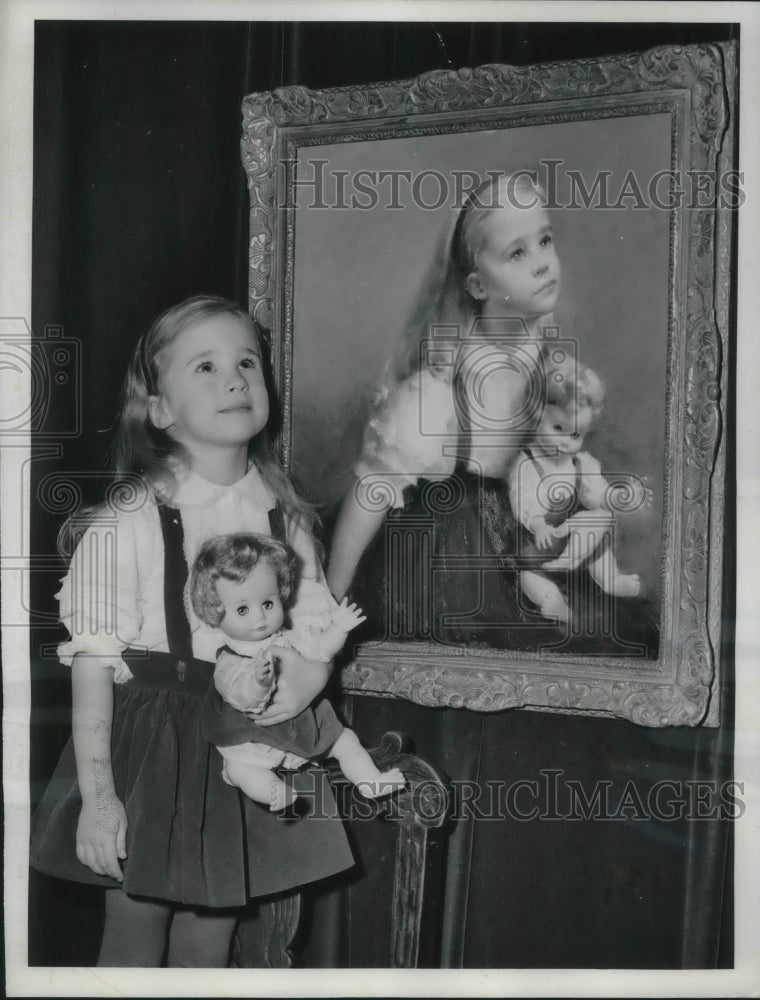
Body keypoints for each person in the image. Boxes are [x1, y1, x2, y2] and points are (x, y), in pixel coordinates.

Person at [30, 295, 354, 967]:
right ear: (160, 410)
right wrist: (99, 797)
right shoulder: (130, 518)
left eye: (247, 363)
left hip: (243, 746)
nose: (235, 378)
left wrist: (300, 685)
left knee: (210, 937)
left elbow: (316, 629)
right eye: (205, 367)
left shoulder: (282, 517)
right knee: (134, 930)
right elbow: (93, 663)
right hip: (155, 748)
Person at [327, 170, 580, 649]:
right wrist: (329, 601)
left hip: (504, 540)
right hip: (438, 562)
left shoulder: (543, 353)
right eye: (517, 253)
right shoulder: (437, 391)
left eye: (545, 240)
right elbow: (372, 492)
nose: (544, 264)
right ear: (477, 285)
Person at [190, 531, 406, 811]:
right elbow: (240, 694)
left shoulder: (288, 637)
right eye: (242, 610)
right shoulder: (229, 660)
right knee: (242, 768)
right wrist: (258, 681)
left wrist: (337, 628)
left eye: (267, 603)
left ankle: (370, 781)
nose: (260, 617)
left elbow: (320, 650)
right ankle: (273, 793)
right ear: (213, 612)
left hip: (299, 724)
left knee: (345, 740)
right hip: (251, 733)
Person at [509, 356, 648, 623]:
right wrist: (538, 525)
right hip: (543, 541)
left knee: (601, 533)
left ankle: (610, 579)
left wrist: (622, 497)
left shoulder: (582, 462)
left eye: (575, 435)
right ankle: (551, 599)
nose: (565, 442)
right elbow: (522, 498)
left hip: (579, 540)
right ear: (536, 416)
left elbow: (600, 494)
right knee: (528, 573)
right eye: (557, 428)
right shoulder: (527, 464)